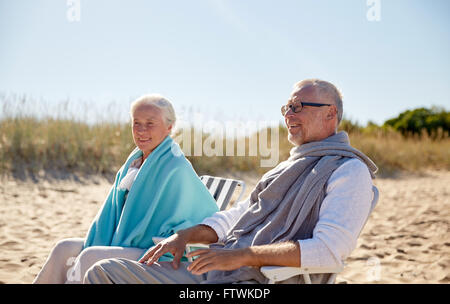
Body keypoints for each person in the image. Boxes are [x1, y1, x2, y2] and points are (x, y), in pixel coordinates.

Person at [83, 79, 378, 284]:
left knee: (103, 273)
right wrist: (185, 236)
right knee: (102, 270)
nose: (288, 114)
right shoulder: (288, 167)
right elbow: (238, 215)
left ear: (330, 114)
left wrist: (242, 257)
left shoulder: (348, 171)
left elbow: (328, 250)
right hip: (218, 268)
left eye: (298, 106)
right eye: (287, 107)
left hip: (255, 278)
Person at [33, 94, 219, 283]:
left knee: (91, 256)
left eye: (150, 123)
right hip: (123, 241)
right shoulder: (134, 162)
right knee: (63, 248)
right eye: (136, 123)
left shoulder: (176, 166)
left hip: (154, 251)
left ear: (169, 127)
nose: (141, 130)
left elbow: (192, 217)